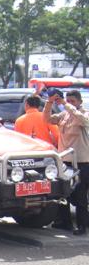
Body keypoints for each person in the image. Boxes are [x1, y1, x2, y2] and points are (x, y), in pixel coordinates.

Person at [45, 88, 89, 234]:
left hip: (81, 161)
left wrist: (65, 104)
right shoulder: (64, 115)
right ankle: (65, 222)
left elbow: (82, 120)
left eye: (72, 101)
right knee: (64, 192)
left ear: (79, 102)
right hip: (65, 160)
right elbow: (47, 119)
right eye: (67, 100)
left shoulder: (83, 114)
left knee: (80, 193)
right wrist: (50, 102)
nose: (69, 104)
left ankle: (82, 225)